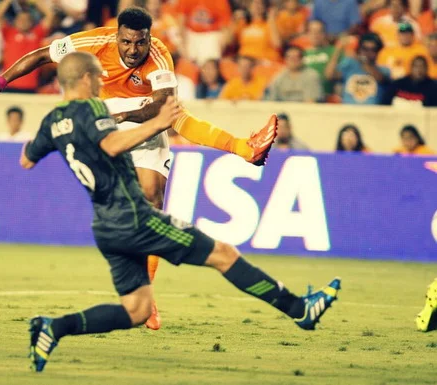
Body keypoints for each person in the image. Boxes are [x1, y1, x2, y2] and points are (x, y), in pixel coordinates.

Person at [21, 51, 341, 373]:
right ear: (86, 78)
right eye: (99, 76)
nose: (103, 81)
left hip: (105, 227)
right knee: (224, 255)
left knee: (137, 310)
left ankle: (53, 327)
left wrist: (61, 141)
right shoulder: (93, 108)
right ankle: (300, 309)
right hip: (135, 219)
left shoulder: (52, 121)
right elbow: (110, 145)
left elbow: (26, 159)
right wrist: (159, 123)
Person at [0, 7, 278, 330]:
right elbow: (40, 56)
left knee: (153, 199)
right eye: (126, 42)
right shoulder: (95, 41)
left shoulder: (159, 54)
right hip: (104, 114)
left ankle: (147, 301)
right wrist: (1, 80)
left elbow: (161, 105)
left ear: (149, 38)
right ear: (117, 35)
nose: (133, 50)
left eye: (140, 43)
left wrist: (125, 118)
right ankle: (243, 148)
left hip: (143, 113)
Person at [325, 33, 390, 105]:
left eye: (373, 49)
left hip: (372, 113)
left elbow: (379, 78)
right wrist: (338, 49)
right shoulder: (350, 64)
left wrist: (359, 58)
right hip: (349, 111)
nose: (369, 52)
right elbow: (329, 75)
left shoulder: (384, 70)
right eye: (365, 49)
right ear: (360, 49)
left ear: (378, 51)